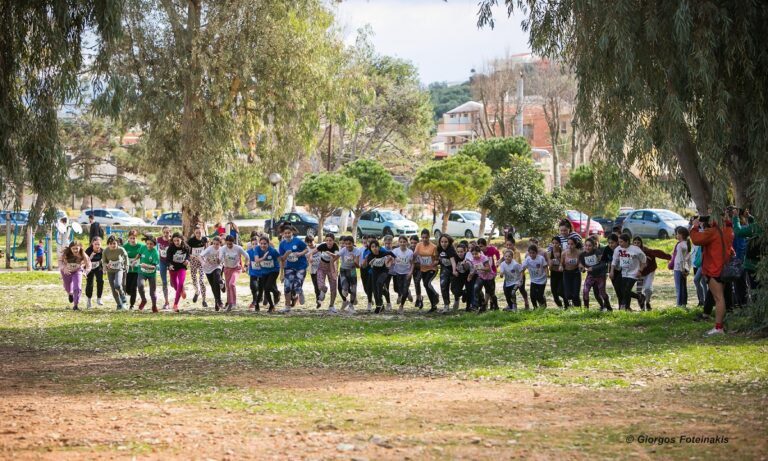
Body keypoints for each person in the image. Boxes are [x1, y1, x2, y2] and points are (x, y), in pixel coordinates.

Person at [691, 213, 735, 336]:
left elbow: (696, 239)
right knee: (722, 298)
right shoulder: (728, 229)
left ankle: (719, 328)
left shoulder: (713, 232)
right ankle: (722, 325)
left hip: (714, 268)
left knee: (718, 298)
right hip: (724, 268)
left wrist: (695, 227)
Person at [632, 236, 671, 311]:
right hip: (639, 273)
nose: (636, 245)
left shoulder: (647, 251)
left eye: (638, 243)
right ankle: (642, 308)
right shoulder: (631, 252)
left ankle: (647, 302)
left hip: (649, 271)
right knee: (639, 291)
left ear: (641, 243)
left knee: (647, 288)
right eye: (635, 243)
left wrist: (669, 257)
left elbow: (658, 253)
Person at [609, 234, 647, 311]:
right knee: (618, 286)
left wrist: (640, 270)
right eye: (619, 242)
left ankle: (625, 306)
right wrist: (611, 271)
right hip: (623, 272)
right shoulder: (618, 249)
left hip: (633, 273)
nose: (620, 244)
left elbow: (644, 260)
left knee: (626, 290)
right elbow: (614, 261)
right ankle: (639, 297)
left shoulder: (635, 249)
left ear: (627, 241)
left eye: (621, 242)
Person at [732, 208, 762, 300]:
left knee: (755, 290)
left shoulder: (758, 227)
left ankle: (757, 312)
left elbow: (738, 232)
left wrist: (735, 217)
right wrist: (750, 218)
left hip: (753, 264)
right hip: (760, 264)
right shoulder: (760, 226)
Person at [278, 226, 309, 313]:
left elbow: (307, 249)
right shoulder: (282, 244)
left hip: (301, 266)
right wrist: (281, 274)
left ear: (292, 233)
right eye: (285, 233)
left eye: (289, 233)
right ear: (283, 234)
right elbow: (282, 259)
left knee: (296, 284)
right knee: (287, 286)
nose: (287, 235)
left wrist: (300, 253)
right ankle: (287, 306)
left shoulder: (298, 241)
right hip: (289, 267)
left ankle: (300, 292)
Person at [251, 235, 281, 312]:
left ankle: (276, 293)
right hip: (264, 271)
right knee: (266, 289)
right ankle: (272, 305)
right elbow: (256, 260)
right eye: (261, 243)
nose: (263, 245)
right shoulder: (257, 249)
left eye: (265, 244)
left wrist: (282, 272)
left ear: (268, 244)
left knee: (267, 287)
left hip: (274, 270)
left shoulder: (273, 251)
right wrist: (264, 258)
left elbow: (280, 260)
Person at [362, 240, 393, 314]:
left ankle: (386, 301)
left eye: (376, 246)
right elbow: (364, 266)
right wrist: (365, 260)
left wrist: (389, 263)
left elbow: (391, 256)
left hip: (383, 272)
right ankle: (379, 305)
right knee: (375, 290)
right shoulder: (369, 255)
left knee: (379, 283)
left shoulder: (382, 252)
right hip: (373, 273)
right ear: (370, 248)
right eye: (372, 247)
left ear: (378, 247)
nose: (374, 248)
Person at [579, 237, 610, 310]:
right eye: (586, 245)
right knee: (585, 291)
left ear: (593, 246)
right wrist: (582, 268)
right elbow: (582, 267)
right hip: (590, 276)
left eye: (589, 246)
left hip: (600, 276)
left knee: (602, 293)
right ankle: (586, 310)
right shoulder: (582, 255)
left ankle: (608, 307)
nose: (587, 247)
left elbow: (603, 264)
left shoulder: (597, 252)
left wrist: (593, 268)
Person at [60, 241, 92, 310]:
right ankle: (70, 294)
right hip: (67, 271)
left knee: (77, 287)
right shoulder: (66, 253)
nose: (75, 250)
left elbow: (89, 265)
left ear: (80, 248)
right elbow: (60, 262)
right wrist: (64, 268)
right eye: (73, 248)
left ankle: (76, 305)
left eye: (77, 248)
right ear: (70, 248)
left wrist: (85, 272)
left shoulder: (83, 254)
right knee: (67, 287)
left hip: (77, 271)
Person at [220, 235, 248, 312]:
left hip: (236, 268)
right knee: (228, 286)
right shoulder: (223, 249)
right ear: (225, 242)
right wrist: (220, 260)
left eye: (231, 244)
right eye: (227, 244)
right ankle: (229, 303)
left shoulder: (238, 248)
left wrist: (245, 266)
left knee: (231, 284)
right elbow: (220, 257)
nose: (229, 245)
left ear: (233, 242)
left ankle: (234, 303)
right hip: (227, 269)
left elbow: (247, 256)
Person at [414, 229, 440, 312]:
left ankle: (436, 295)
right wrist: (414, 259)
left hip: (432, 269)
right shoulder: (418, 245)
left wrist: (433, 264)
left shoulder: (433, 247)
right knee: (426, 286)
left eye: (426, 237)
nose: (424, 239)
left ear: (429, 237)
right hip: (423, 268)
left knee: (427, 283)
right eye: (423, 237)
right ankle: (433, 305)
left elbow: (437, 259)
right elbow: (415, 255)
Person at [315, 234, 341, 313]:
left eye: (330, 240)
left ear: (333, 241)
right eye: (327, 240)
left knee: (333, 288)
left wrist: (335, 271)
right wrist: (309, 258)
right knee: (321, 285)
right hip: (321, 268)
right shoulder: (322, 246)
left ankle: (331, 306)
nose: (328, 242)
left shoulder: (336, 247)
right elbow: (312, 252)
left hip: (331, 268)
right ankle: (323, 291)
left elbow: (336, 257)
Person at [166, 232, 190, 312]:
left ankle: (175, 304)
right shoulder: (171, 248)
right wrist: (169, 265)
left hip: (181, 267)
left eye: (178, 240)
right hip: (173, 268)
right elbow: (168, 259)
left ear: (181, 240)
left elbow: (188, 256)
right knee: (176, 286)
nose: (176, 242)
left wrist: (187, 260)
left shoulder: (186, 247)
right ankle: (181, 291)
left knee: (180, 284)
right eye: (174, 241)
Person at [102, 235, 129, 310]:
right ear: (108, 244)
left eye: (114, 243)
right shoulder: (105, 251)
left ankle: (122, 295)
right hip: (110, 271)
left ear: (117, 243)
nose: (113, 245)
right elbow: (103, 262)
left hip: (119, 269)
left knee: (117, 284)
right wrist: (106, 265)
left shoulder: (121, 249)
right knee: (113, 289)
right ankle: (119, 304)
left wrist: (127, 265)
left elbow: (126, 256)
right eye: (110, 244)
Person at [504, 235, 530, 309]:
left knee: (522, 290)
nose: (508, 246)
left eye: (510, 245)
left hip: (519, 275)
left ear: (513, 245)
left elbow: (516, 264)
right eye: (507, 245)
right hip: (509, 275)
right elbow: (503, 259)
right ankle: (511, 305)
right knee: (506, 290)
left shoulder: (517, 252)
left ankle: (526, 302)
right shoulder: (505, 251)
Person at [201, 236, 225, 311]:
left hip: (217, 267)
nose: (215, 245)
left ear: (220, 244)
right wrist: (203, 262)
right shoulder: (209, 248)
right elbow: (200, 256)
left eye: (217, 244)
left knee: (217, 278)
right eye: (214, 244)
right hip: (208, 269)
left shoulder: (221, 250)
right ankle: (217, 302)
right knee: (214, 286)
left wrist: (218, 260)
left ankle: (222, 284)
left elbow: (221, 261)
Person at [391, 236, 414, 313]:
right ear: (398, 243)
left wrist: (410, 272)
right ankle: (405, 293)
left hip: (406, 273)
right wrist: (391, 262)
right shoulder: (395, 251)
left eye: (404, 242)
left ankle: (401, 306)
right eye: (401, 242)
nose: (402, 243)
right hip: (397, 272)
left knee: (404, 289)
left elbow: (412, 263)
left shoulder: (410, 252)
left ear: (407, 243)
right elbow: (391, 259)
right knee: (398, 288)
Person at [137, 235, 160, 312]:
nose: (149, 245)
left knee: (152, 292)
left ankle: (154, 305)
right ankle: (144, 300)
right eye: (148, 243)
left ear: (154, 244)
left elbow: (154, 267)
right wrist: (134, 260)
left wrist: (146, 265)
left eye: (151, 244)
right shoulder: (143, 247)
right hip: (142, 272)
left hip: (151, 274)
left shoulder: (155, 253)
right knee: (140, 285)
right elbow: (139, 254)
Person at [187, 225, 209, 308]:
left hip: (201, 262)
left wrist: (205, 259)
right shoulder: (191, 241)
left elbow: (207, 250)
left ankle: (204, 300)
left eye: (200, 232)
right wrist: (193, 256)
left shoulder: (204, 239)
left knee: (201, 280)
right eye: (197, 233)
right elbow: (188, 251)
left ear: (202, 232)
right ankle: (197, 291)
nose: (198, 234)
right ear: (194, 233)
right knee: (194, 279)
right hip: (193, 261)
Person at [467, 244, 493, 312]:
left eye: (476, 254)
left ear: (480, 252)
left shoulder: (484, 258)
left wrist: (481, 268)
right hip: (481, 277)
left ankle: (494, 306)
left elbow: (488, 269)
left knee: (490, 292)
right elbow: (474, 269)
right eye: (473, 254)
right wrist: (470, 275)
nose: (474, 255)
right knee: (476, 288)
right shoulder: (473, 260)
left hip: (488, 277)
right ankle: (476, 305)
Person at [437, 235, 459, 312]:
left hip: (453, 269)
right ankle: (446, 305)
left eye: (446, 242)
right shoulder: (439, 248)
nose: (444, 244)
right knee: (443, 286)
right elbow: (439, 258)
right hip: (444, 269)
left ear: (449, 242)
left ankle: (457, 299)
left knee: (454, 288)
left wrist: (454, 271)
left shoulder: (450, 250)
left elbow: (453, 262)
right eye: (442, 242)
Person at [338, 236, 360, 314]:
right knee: (344, 287)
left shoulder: (357, 251)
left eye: (349, 244)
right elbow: (335, 257)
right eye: (346, 244)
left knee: (354, 289)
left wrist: (354, 260)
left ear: (353, 243)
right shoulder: (343, 250)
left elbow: (358, 266)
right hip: (343, 270)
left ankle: (351, 306)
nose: (348, 246)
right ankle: (345, 291)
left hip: (352, 270)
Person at [672, 227, 692, 308]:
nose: (676, 235)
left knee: (679, 287)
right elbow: (688, 259)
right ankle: (684, 303)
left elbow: (680, 259)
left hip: (678, 268)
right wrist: (687, 269)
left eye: (677, 234)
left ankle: (679, 304)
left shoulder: (680, 245)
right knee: (683, 287)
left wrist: (682, 269)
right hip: (684, 268)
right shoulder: (686, 244)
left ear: (681, 235)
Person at [477, 238, 500, 310]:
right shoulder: (479, 253)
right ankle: (488, 304)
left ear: (485, 245)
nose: (480, 248)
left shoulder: (491, 249)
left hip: (492, 271)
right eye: (479, 246)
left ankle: (490, 304)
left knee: (490, 288)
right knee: (487, 288)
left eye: (481, 246)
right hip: (484, 273)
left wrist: (498, 261)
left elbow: (497, 252)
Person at [123, 229, 143, 310]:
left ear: (136, 238)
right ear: (128, 238)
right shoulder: (125, 247)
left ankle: (132, 305)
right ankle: (130, 295)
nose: (132, 240)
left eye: (134, 238)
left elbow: (144, 255)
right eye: (131, 238)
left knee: (134, 287)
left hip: (137, 270)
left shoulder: (141, 246)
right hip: (128, 270)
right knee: (127, 288)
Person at [560, 236, 583, 308]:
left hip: (576, 273)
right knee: (568, 295)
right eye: (568, 244)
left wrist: (580, 266)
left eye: (572, 244)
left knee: (576, 294)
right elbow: (561, 263)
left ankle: (578, 307)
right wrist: (561, 267)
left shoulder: (579, 253)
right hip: (566, 273)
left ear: (575, 245)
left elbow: (580, 263)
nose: (570, 246)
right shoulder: (564, 253)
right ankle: (571, 304)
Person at [155, 226, 173, 310]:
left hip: (171, 262)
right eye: (165, 232)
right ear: (162, 232)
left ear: (170, 232)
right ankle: (166, 302)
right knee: (164, 282)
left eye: (168, 232)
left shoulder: (172, 241)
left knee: (173, 283)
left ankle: (177, 298)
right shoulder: (158, 240)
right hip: (162, 262)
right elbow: (155, 249)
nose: (166, 234)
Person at [85, 237, 105, 308]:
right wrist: (90, 256)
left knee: (100, 281)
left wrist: (105, 267)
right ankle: (89, 300)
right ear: (92, 244)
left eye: (99, 244)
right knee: (90, 283)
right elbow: (84, 261)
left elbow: (105, 260)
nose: (97, 246)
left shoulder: (102, 251)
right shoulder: (88, 250)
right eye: (96, 244)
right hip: (89, 267)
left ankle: (99, 298)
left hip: (98, 267)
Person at [547, 236, 566, 307]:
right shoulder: (549, 253)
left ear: (560, 244)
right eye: (553, 243)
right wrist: (551, 265)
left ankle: (567, 304)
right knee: (554, 292)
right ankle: (560, 306)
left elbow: (564, 265)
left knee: (560, 291)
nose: (555, 245)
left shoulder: (563, 252)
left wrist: (558, 258)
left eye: (556, 243)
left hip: (562, 274)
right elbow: (550, 268)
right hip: (554, 274)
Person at [452, 243, 472, 310]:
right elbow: (453, 264)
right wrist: (454, 271)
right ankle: (464, 293)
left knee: (469, 290)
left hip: (467, 276)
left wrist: (465, 264)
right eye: (458, 252)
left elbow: (470, 267)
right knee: (454, 290)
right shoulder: (455, 257)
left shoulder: (468, 257)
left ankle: (468, 306)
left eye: (461, 252)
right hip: (458, 276)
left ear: (465, 251)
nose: (460, 253)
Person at [305, 235, 322, 308]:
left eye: (311, 242)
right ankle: (318, 300)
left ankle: (321, 296)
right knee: (316, 285)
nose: (309, 244)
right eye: (308, 242)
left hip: (321, 269)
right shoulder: (306, 249)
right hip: (313, 269)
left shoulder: (319, 247)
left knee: (320, 284)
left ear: (314, 240)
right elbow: (306, 258)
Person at [408, 235, 423, 309]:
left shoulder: (421, 249)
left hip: (421, 268)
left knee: (417, 281)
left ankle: (419, 298)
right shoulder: (409, 249)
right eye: (412, 243)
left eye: (415, 243)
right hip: (411, 268)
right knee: (411, 282)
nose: (413, 245)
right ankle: (410, 294)